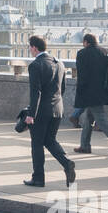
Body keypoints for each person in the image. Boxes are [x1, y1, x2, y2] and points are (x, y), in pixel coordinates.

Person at [23, 36, 75, 188]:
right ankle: (67, 163)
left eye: (29, 47)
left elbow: (36, 93)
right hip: (57, 109)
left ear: (34, 48)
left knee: (37, 144)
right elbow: (62, 89)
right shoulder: (59, 64)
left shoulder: (35, 65)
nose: (29, 50)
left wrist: (31, 114)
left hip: (41, 112)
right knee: (50, 140)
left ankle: (38, 178)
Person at [73, 33, 108, 158]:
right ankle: (85, 145)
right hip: (104, 90)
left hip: (89, 92)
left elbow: (82, 76)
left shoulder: (82, 54)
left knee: (101, 119)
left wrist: (80, 91)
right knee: (88, 117)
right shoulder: (107, 52)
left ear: (86, 42)